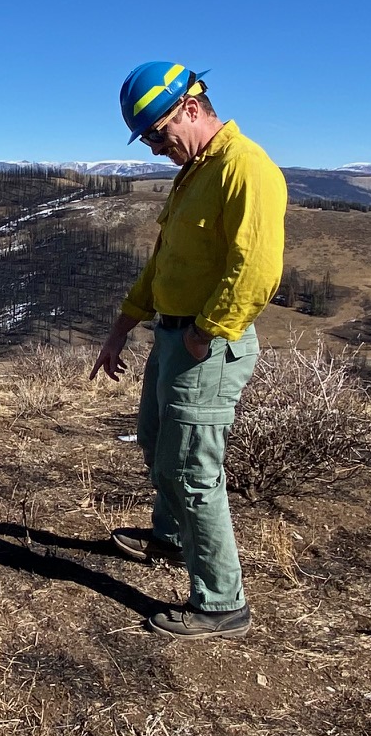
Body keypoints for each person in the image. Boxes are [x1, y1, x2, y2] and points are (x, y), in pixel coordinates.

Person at [90, 61, 287, 640]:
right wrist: (124, 324)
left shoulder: (245, 167)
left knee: (193, 468)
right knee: (155, 440)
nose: (154, 149)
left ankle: (223, 602)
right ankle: (172, 538)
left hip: (206, 344)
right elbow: (164, 261)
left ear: (192, 109)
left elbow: (257, 270)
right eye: (148, 138)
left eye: (157, 134)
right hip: (173, 336)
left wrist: (206, 332)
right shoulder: (195, 170)